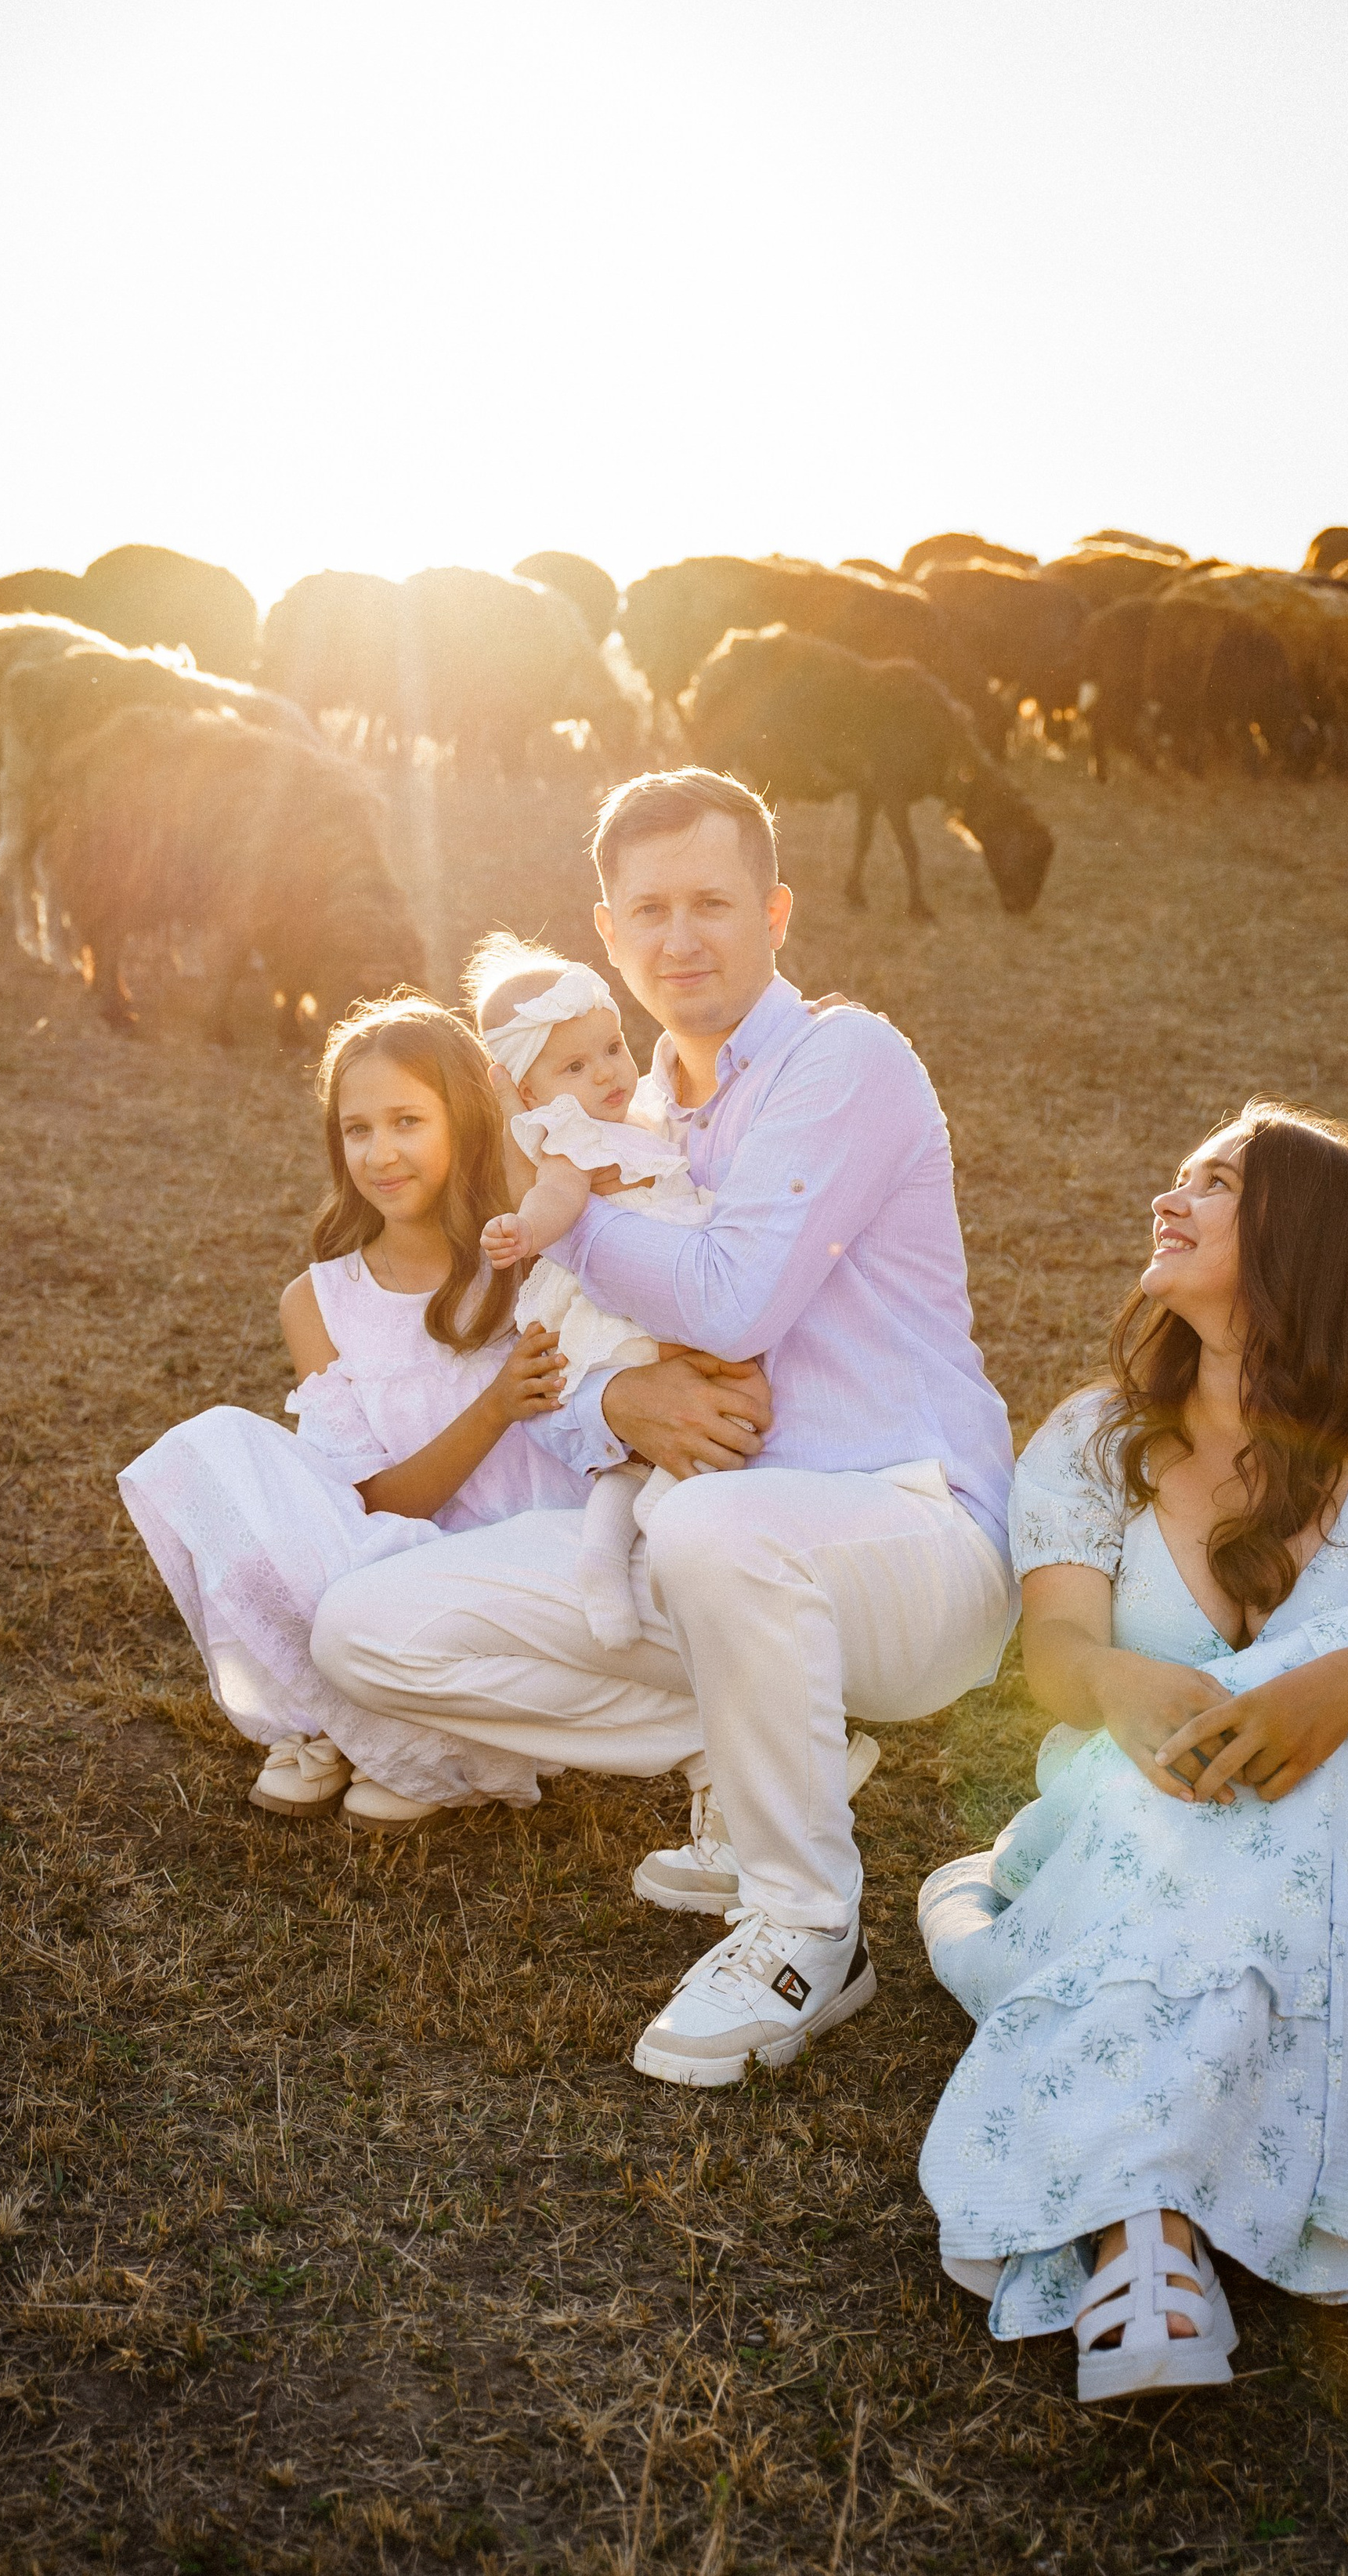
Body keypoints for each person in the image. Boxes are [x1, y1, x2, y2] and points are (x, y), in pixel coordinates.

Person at [309, 768, 1016, 2086]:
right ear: (609, 936)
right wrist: (616, 1396)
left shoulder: (842, 1061)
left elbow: (736, 1300)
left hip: (912, 1538)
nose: (681, 938)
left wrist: (561, 1206)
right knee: (367, 1630)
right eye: (650, 911)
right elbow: (560, 1368)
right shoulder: (617, 1122)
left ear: (777, 912)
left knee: (711, 1523)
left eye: (713, 903)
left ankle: (805, 1924)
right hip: (715, 1541)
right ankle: (754, 1760)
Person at [916, 1102, 1348, 2402]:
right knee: (1195, 1794)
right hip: (1154, 1821)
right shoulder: (1095, 1442)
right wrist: (1127, 1685)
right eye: (1178, 1172)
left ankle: (1144, 2220)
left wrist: (1345, 1683)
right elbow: (1058, 1659)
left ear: (1302, 1238)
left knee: (1334, 1740)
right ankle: (1156, 2241)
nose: (1170, 1196)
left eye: (1215, 1182)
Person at [118, 998, 587, 1831]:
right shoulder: (318, 1301)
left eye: (408, 1120)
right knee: (214, 1445)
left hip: (510, 1575)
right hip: (383, 1560)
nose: (381, 1153)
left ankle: (419, 1742)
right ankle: (330, 1720)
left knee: (422, 1612)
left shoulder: (523, 1264)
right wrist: (493, 1405)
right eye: (357, 1128)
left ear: (465, 1124)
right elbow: (368, 1507)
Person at [468, 932, 712, 1654]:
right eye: (575, 1064)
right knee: (687, 1419)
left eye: (611, 1047)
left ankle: (621, 1546)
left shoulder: (637, 1116)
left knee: (661, 1447)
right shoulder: (568, 1137)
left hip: (671, 1286)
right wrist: (524, 1228)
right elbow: (556, 1194)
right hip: (623, 1311)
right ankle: (613, 1552)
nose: (607, 1072)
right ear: (532, 1092)